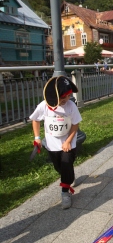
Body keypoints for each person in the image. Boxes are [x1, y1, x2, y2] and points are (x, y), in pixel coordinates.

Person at [29, 76, 82, 209]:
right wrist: (37, 137)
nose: (67, 100)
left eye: (69, 96)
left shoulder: (71, 106)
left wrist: (68, 141)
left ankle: (65, 192)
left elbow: (75, 124)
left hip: (68, 144)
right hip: (52, 145)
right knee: (59, 167)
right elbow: (35, 119)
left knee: (65, 163)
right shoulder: (43, 106)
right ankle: (68, 175)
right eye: (63, 97)